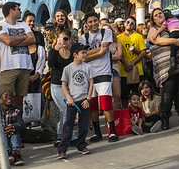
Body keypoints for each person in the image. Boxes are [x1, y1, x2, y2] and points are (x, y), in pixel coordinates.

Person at [80, 11, 119, 142]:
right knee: (92, 105)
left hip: (104, 72)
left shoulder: (106, 32)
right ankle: (97, 132)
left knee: (105, 103)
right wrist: (99, 51)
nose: (93, 24)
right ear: (86, 24)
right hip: (90, 75)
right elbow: (83, 57)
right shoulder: (83, 38)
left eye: (95, 20)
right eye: (90, 22)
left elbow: (104, 49)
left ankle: (112, 131)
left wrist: (88, 53)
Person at [147, 8, 179, 130]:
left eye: (160, 13)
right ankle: (165, 118)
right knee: (168, 91)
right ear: (153, 19)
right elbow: (156, 40)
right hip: (165, 66)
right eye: (156, 15)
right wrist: (174, 41)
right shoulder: (153, 29)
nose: (159, 15)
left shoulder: (171, 24)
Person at [0, 1, 35, 110]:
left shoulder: (23, 24)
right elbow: (7, 41)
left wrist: (14, 41)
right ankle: (4, 119)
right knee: (6, 97)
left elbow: (32, 39)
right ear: (11, 11)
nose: (21, 12)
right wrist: (23, 37)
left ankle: (18, 119)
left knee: (20, 99)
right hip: (8, 67)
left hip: (25, 66)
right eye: (18, 9)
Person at [57, 44, 93, 159]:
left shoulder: (88, 67)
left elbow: (91, 83)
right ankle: (62, 149)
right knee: (68, 124)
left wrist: (88, 99)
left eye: (85, 52)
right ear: (75, 54)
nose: (85, 55)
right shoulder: (68, 68)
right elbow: (63, 84)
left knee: (83, 124)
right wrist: (68, 97)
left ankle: (81, 145)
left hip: (84, 100)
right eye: (82, 53)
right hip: (72, 100)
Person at [47, 33, 73, 143]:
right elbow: (50, 64)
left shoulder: (72, 53)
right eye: (61, 39)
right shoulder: (54, 52)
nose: (63, 41)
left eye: (66, 39)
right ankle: (69, 136)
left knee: (65, 112)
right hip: (57, 85)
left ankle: (61, 135)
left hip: (69, 85)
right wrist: (54, 50)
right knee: (66, 109)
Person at [0, 90, 25, 165]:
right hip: (1, 136)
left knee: (15, 133)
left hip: (13, 133)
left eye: (11, 96)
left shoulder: (17, 111)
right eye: (6, 96)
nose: (9, 98)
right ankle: (7, 152)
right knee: (2, 133)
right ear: (1, 101)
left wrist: (13, 127)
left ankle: (16, 153)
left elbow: (22, 124)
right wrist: (5, 128)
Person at [118, 16, 147, 100]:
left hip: (137, 70)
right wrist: (125, 63)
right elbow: (118, 53)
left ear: (134, 26)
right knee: (124, 96)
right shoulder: (118, 38)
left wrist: (132, 63)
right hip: (123, 71)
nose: (129, 24)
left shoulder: (139, 36)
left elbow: (143, 52)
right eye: (127, 22)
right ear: (124, 24)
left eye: (132, 23)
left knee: (138, 94)